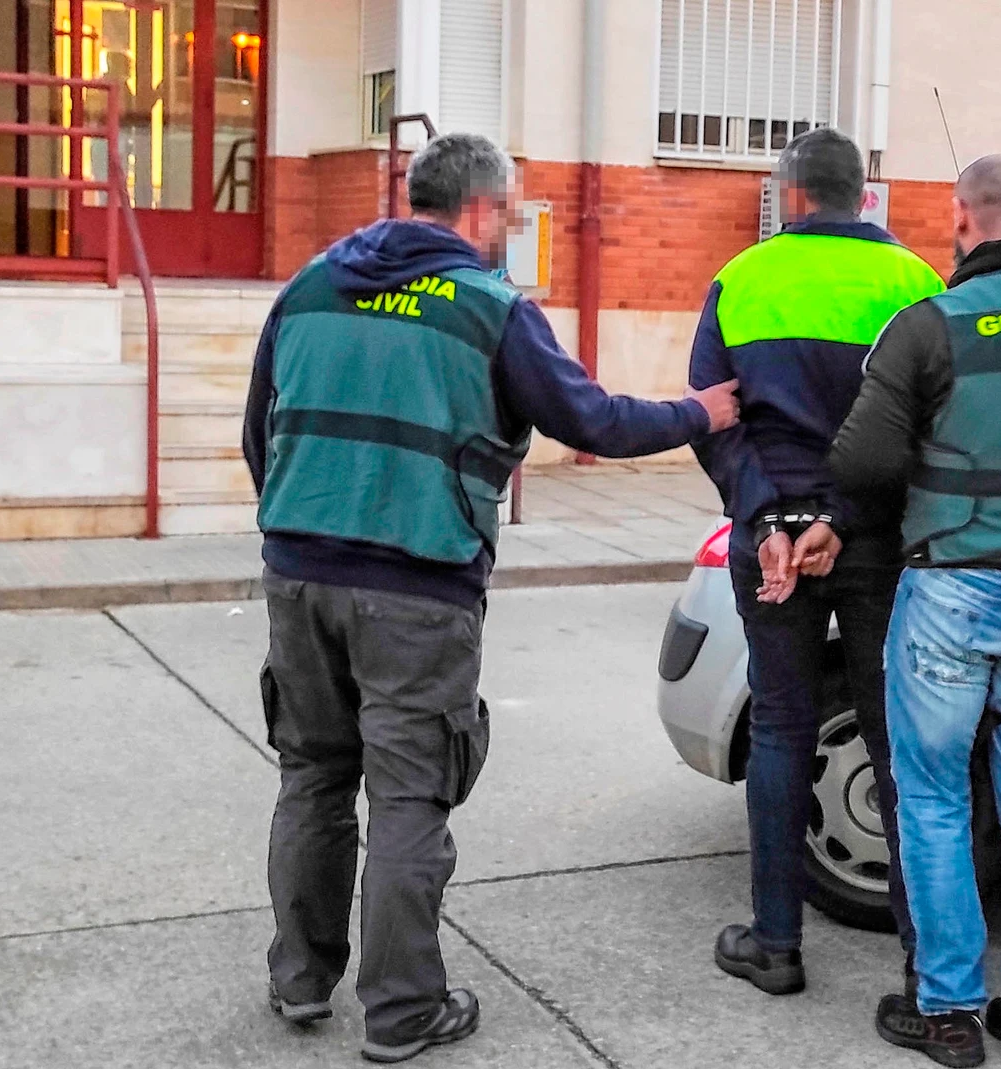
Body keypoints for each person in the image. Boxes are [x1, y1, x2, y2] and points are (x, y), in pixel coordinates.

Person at [243, 132, 739, 1063]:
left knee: (311, 776)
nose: (510, 228)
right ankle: (402, 1013)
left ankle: (301, 980)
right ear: (482, 210)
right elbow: (591, 419)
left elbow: (257, 431)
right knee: (407, 796)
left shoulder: (308, 287)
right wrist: (699, 413)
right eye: (508, 212)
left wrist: (308, 522)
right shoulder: (488, 309)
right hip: (418, 587)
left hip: (298, 573)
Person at [831, 155, 1001, 1069]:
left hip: (951, 590)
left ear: (959, 219)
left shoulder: (928, 327)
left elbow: (862, 465)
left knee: (937, 797)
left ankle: (948, 1010)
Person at [687, 128, 944, 997]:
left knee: (783, 727)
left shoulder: (741, 278)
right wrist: (841, 514)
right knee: (892, 737)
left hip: (768, 541)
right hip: (875, 536)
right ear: (863, 195)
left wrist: (769, 519)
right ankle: (922, 961)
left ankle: (775, 943)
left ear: (790, 196)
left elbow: (714, 417)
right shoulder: (918, 285)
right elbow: (924, 433)